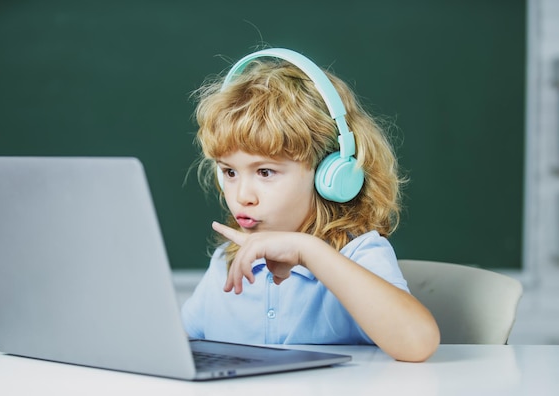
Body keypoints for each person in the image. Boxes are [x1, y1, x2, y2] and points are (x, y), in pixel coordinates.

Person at [181, 48, 440, 362]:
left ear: (330, 173)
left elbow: (418, 343)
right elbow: (177, 343)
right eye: (229, 172)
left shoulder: (358, 254)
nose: (242, 195)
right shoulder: (227, 261)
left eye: (265, 172)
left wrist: (308, 251)